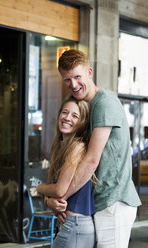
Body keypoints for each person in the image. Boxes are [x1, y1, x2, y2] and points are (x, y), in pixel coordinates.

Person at [46, 49, 141, 248]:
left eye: (77, 77)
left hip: (114, 201)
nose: (73, 84)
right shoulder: (87, 108)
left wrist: (61, 197)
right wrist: (51, 198)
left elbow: (91, 160)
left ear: (89, 73)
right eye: (67, 79)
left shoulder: (105, 103)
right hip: (99, 203)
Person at [37, 96, 95, 248]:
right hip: (70, 226)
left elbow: (59, 190)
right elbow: (55, 194)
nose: (67, 118)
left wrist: (39, 188)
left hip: (75, 227)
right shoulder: (60, 146)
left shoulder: (77, 147)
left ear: (82, 123)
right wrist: (48, 201)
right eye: (65, 112)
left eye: (75, 116)